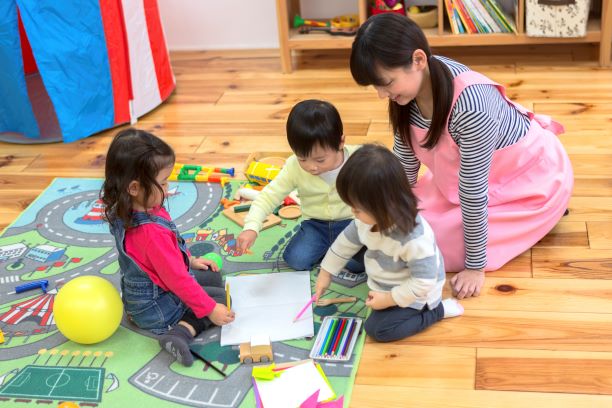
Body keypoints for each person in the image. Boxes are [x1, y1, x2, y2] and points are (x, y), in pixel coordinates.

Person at [349, 14, 573, 299]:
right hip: (462, 177)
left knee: (430, 241)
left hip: (529, 180)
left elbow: (473, 192)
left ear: (418, 60)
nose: (382, 95)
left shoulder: (470, 107)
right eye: (376, 87)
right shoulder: (409, 93)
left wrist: (475, 267)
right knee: (399, 225)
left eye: (386, 83)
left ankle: (545, 215)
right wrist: (383, 214)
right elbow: (404, 166)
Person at [102, 128, 235, 367]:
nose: (167, 187)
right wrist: (210, 309)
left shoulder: (127, 207)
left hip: (142, 296)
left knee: (211, 276)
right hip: (156, 309)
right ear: (134, 187)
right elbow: (177, 280)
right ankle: (179, 334)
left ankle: (195, 305)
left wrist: (191, 260)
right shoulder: (151, 234)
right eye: (162, 182)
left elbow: (162, 257)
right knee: (219, 300)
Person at [315, 144, 463, 342]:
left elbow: (424, 283)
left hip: (418, 295)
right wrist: (326, 272)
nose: (353, 213)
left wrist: (388, 299)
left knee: (378, 329)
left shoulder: (413, 238)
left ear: (382, 206)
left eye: (357, 209)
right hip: (388, 272)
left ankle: (437, 312)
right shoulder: (366, 219)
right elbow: (344, 242)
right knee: (349, 254)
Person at [237, 99, 365, 273]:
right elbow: (268, 197)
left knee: (362, 264)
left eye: (320, 160)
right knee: (296, 260)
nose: (311, 167)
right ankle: (333, 252)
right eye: (302, 159)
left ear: (341, 142)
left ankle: (334, 252)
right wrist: (251, 227)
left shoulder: (360, 159)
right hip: (316, 225)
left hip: (352, 223)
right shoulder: (293, 167)